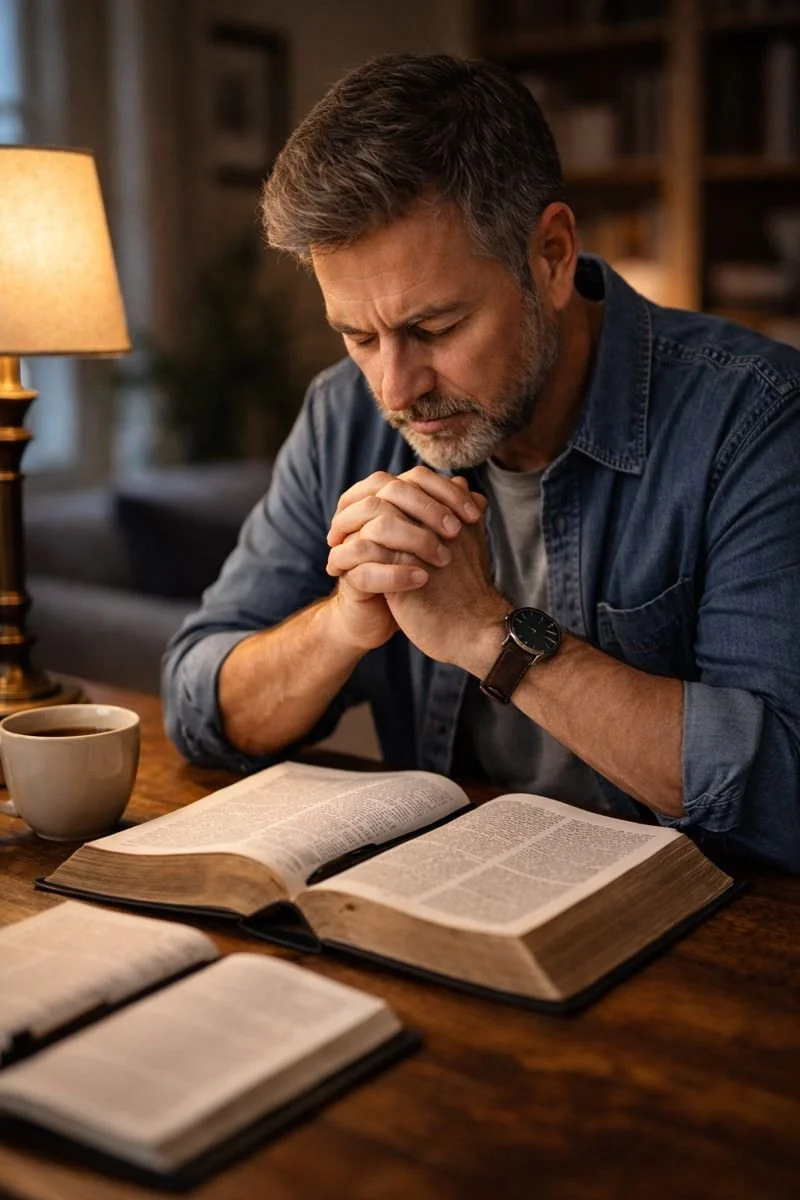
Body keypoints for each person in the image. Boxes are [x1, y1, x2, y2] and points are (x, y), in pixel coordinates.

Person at [163, 53, 800, 872]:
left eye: (435, 328)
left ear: (553, 256)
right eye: (358, 336)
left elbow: (785, 792)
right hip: (441, 901)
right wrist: (341, 623)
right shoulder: (342, 415)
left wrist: (491, 635)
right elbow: (197, 699)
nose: (396, 388)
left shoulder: (755, 421)